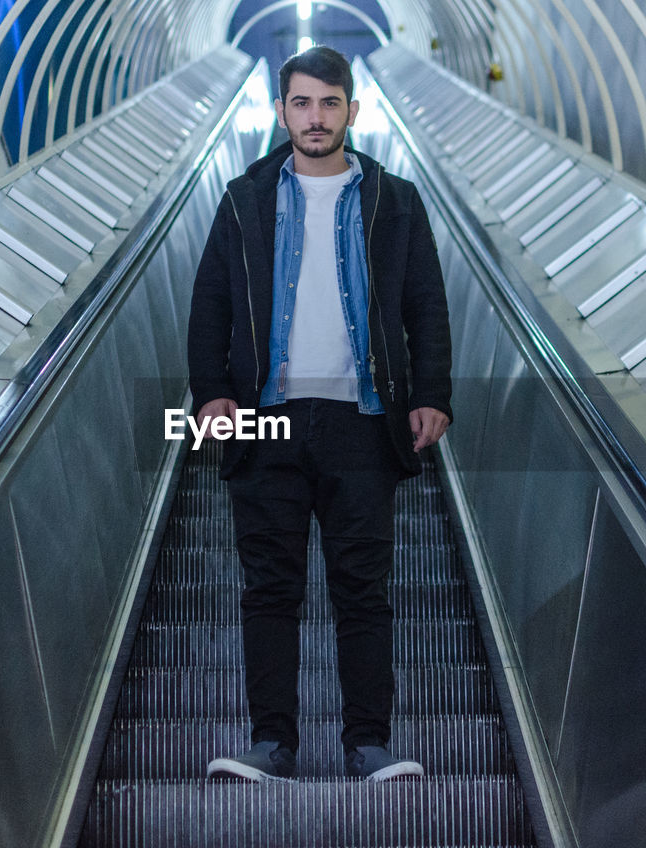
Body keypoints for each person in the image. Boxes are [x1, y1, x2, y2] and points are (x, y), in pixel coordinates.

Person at [187, 45, 452, 783]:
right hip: (265, 417)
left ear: (352, 111)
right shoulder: (243, 199)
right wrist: (211, 392)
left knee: (362, 589)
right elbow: (210, 302)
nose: (315, 117)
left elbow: (425, 304)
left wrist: (432, 392)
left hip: (362, 420)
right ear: (281, 112)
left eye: (329, 103)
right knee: (269, 588)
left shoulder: (394, 201)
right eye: (301, 103)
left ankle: (370, 745)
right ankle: (273, 746)